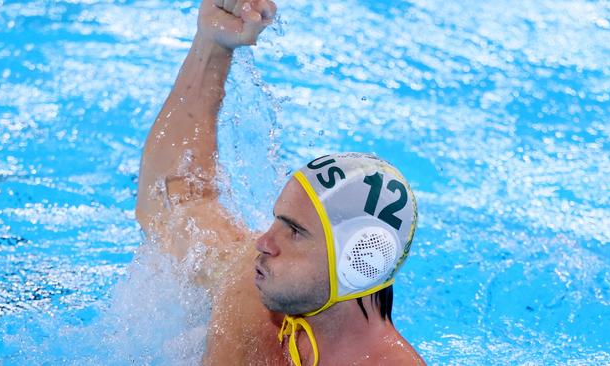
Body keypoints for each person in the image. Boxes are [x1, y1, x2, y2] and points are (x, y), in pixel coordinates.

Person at [135, 0, 426, 364]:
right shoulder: (252, 286)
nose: (263, 241)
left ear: (358, 261)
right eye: (278, 220)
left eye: (295, 231)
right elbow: (176, 202)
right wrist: (212, 46)